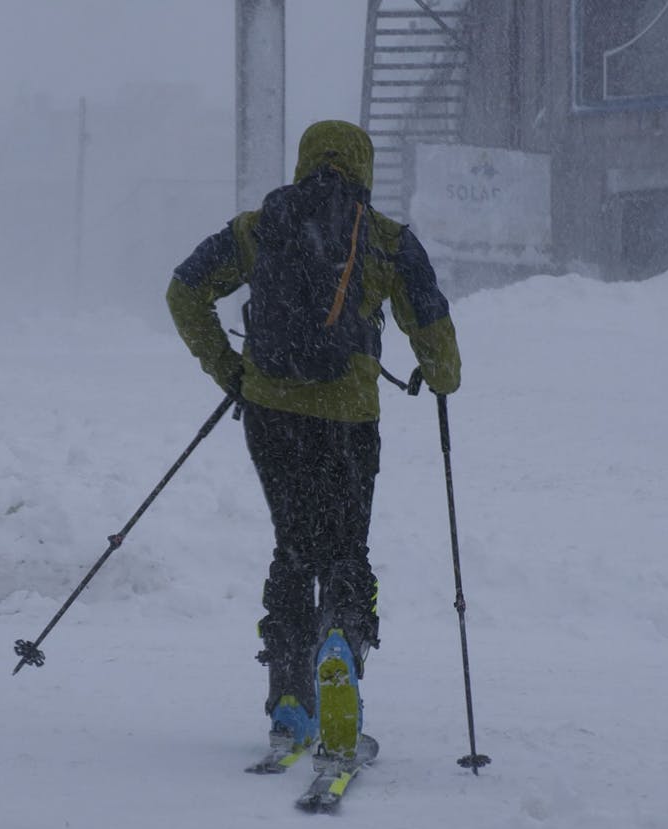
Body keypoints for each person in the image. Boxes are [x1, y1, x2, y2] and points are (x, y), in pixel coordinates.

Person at [166, 120, 461, 761]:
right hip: (349, 420)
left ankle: (289, 697)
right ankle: (339, 650)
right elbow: (431, 322)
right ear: (364, 168)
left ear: (304, 162)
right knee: (347, 545)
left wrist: (230, 368)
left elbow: (184, 290)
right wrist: (442, 376)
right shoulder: (384, 239)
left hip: (272, 415)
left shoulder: (256, 228)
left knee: (294, 545)